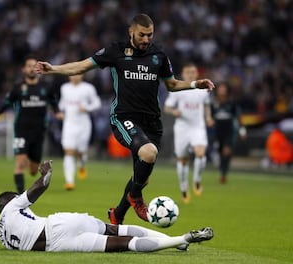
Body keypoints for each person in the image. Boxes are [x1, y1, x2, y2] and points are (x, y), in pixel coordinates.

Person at [35, 13, 214, 224]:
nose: (147, 39)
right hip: (123, 117)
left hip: (152, 123)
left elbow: (172, 84)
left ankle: (117, 215)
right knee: (149, 154)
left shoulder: (159, 56)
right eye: (142, 35)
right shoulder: (115, 52)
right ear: (131, 32)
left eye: (150, 35)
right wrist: (53, 69)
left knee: (142, 178)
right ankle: (135, 198)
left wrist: (195, 85)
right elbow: (82, 66)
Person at [0, 160, 214, 252]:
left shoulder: (2, 236)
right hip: (57, 225)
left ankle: (182, 240)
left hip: (58, 247)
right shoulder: (13, 205)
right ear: (11, 199)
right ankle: (176, 242)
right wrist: (47, 174)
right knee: (115, 229)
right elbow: (40, 186)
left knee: (123, 244)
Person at [0, 56, 58, 193]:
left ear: (38, 69)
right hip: (21, 130)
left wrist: (58, 112)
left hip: (39, 131)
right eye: (29, 66)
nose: (32, 68)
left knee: (33, 171)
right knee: (20, 163)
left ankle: (27, 157)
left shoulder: (45, 88)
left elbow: (53, 102)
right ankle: (20, 197)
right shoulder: (18, 88)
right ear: (24, 69)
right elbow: (7, 102)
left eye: (35, 66)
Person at [164, 63, 213, 204]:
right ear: (183, 74)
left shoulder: (203, 90)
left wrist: (208, 117)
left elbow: (206, 105)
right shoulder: (178, 89)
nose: (191, 74)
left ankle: (197, 180)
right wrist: (174, 111)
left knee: (200, 153)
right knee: (183, 160)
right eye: (188, 72)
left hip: (198, 127)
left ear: (197, 74)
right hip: (182, 128)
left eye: (193, 72)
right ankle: (184, 188)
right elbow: (167, 107)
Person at [57, 74, 101, 190]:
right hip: (69, 124)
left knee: (81, 152)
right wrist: (60, 112)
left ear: (82, 75)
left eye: (78, 74)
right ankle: (69, 181)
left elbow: (97, 103)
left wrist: (87, 108)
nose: (75, 77)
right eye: (72, 75)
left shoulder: (88, 88)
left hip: (83, 124)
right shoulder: (64, 88)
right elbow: (62, 103)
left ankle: (81, 164)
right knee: (69, 151)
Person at [210, 83, 246, 184]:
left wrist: (242, 131)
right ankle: (222, 169)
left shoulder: (232, 103)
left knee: (227, 152)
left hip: (229, 131)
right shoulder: (213, 103)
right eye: (220, 88)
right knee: (220, 152)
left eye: (223, 88)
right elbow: (209, 117)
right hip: (217, 132)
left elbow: (239, 118)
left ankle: (223, 173)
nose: (222, 90)